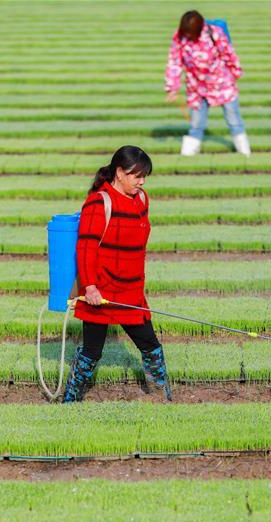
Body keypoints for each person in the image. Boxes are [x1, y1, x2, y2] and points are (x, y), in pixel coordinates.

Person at [63, 146, 172, 403]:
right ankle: (69, 401)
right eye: (137, 175)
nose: (142, 181)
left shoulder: (142, 199)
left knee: (150, 346)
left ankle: (161, 397)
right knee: (91, 351)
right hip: (101, 291)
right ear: (120, 173)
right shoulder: (99, 202)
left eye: (145, 176)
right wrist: (89, 287)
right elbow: (86, 248)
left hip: (131, 290)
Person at [164, 10, 250, 157]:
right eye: (186, 33)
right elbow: (175, 62)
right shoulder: (179, 36)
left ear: (198, 29)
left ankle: (244, 151)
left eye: (190, 34)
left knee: (233, 118)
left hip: (222, 84)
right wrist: (172, 88)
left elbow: (229, 54)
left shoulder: (214, 33)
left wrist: (235, 75)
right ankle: (188, 154)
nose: (188, 36)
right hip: (196, 87)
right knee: (196, 122)